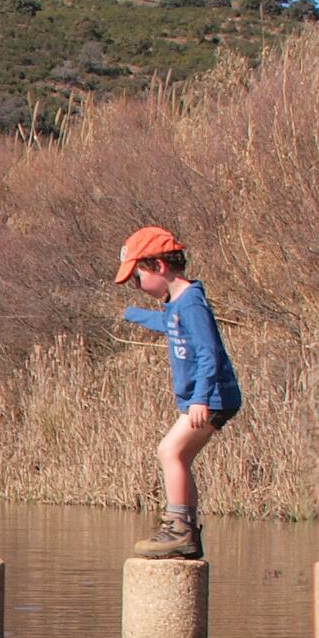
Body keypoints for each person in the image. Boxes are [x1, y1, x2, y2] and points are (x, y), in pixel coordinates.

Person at [113, 224, 240, 559]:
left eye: (137, 277)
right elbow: (169, 326)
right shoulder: (177, 305)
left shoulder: (192, 303)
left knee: (169, 451)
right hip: (207, 396)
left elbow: (209, 352)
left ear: (159, 266)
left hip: (211, 397)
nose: (136, 286)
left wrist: (200, 398)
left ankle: (179, 528)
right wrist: (134, 315)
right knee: (179, 457)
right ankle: (186, 533)